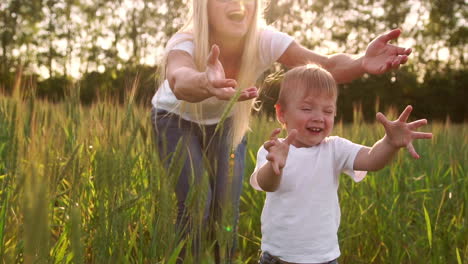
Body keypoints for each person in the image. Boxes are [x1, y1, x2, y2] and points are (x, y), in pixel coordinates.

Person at [151, 0, 412, 262]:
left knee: (226, 210)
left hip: (228, 120)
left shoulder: (264, 39)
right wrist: (204, 81)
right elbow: (178, 78)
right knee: (197, 204)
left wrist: (361, 61)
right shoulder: (187, 40)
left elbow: (326, 66)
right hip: (175, 119)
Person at [250, 65, 433, 264]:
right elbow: (267, 184)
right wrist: (276, 166)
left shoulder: (335, 149)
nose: (319, 117)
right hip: (277, 258)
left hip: (324, 258)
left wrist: (389, 143)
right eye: (306, 108)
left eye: (328, 111)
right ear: (282, 113)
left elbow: (372, 159)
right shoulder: (273, 150)